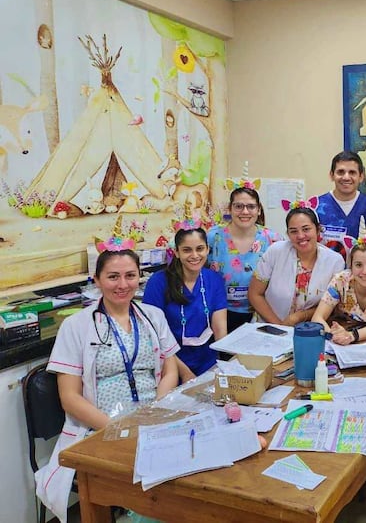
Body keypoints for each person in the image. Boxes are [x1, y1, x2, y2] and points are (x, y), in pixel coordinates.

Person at [36, 243, 180, 523]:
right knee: (154, 485)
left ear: (140, 277)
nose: (122, 284)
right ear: (97, 279)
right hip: (104, 427)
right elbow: (70, 397)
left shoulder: (153, 316)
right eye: (113, 276)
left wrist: (158, 410)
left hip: (154, 417)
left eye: (130, 275)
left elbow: (170, 367)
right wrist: (120, 427)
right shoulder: (76, 326)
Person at [143, 223, 228, 382]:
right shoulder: (158, 282)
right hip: (171, 365)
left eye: (200, 249)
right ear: (176, 252)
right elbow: (154, 336)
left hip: (208, 362)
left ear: (207, 249)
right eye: (187, 250)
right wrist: (184, 373)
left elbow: (219, 329)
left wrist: (229, 364)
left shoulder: (214, 280)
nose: (195, 255)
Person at [249, 200, 345, 325]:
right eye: (293, 231)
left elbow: (334, 305)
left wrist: (300, 316)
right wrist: (279, 327)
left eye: (306, 229)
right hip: (268, 326)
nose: (300, 236)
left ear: (317, 230)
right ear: (288, 234)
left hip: (310, 329)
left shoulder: (335, 261)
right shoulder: (276, 251)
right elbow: (255, 294)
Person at [207, 175, 281, 331]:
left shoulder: (272, 239)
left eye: (251, 206)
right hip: (219, 313)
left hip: (260, 314)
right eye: (239, 206)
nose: (245, 211)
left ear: (259, 210)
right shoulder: (213, 237)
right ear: (230, 209)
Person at [312, 229, 366, 345]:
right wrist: (334, 336)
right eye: (358, 265)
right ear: (350, 266)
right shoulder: (340, 281)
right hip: (343, 337)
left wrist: (352, 336)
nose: (365, 271)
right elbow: (317, 317)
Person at [315, 150, 366, 253]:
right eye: (340, 172)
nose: (346, 177)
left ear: (361, 177)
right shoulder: (317, 206)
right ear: (331, 175)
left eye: (352, 172)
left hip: (361, 268)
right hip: (327, 268)